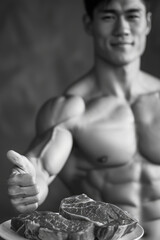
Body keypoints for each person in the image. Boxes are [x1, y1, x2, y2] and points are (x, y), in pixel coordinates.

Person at [7, 0, 160, 239]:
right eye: (109, 17)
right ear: (89, 24)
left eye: (132, 16)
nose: (123, 29)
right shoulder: (71, 110)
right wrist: (30, 182)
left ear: (148, 22)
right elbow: (42, 166)